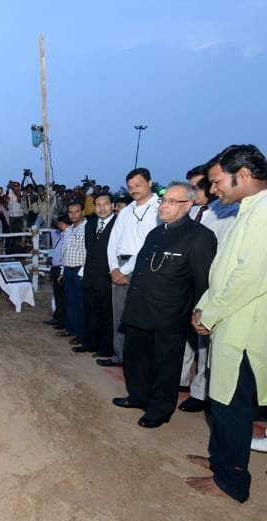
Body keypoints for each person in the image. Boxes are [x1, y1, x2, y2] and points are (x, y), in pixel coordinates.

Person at [185, 144, 267, 503]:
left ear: (244, 175)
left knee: (233, 407)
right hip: (228, 322)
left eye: (217, 182)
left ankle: (232, 482)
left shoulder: (264, 213)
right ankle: (221, 461)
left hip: (246, 329)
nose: (213, 189)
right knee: (220, 401)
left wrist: (211, 313)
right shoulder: (245, 211)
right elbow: (224, 272)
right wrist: (205, 307)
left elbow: (249, 277)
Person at [111, 183, 216, 428]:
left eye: (172, 201)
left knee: (165, 366)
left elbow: (203, 282)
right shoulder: (156, 233)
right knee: (136, 359)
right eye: (163, 200)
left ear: (188, 205)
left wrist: (200, 312)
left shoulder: (200, 237)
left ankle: (159, 409)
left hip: (169, 315)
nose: (164, 206)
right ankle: (138, 396)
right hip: (139, 309)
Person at [179, 164, 240, 412]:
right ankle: (181, 381)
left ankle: (200, 392)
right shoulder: (192, 212)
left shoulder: (228, 212)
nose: (195, 191)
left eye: (199, 186)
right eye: (191, 187)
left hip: (209, 286)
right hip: (185, 284)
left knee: (204, 341)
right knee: (184, 338)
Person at [99, 168, 160, 367]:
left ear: (150, 183)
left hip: (143, 268)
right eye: (130, 186)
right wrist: (114, 268)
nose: (134, 190)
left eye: (138, 185)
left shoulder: (159, 209)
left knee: (140, 318)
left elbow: (150, 244)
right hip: (118, 267)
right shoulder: (125, 211)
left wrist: (124, 271)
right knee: (119, 317)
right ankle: (120, 355)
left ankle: (140, 360)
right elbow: (112, 242)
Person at [73, 192, 116, 356]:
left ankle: (105, 349)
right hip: (90, 276)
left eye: (105, 204)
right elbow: (89, 251)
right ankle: (89, 343)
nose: (102, 208)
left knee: (107, 315)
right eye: (98, 204)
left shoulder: (118, 224)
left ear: (112, 206)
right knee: (90, 312)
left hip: (107, 277)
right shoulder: (90, 224)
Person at [57, 202, 87, 346]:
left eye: (76, 211)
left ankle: (81, 334)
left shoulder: (87, 228)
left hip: (80, 270)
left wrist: (83, 272)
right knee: (70, 302)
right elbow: (64, 252)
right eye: (71, 212)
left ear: (83, 211)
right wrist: (62, 271)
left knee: (81, 303)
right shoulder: (68, 230)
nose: (74, 214)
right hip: (68, 270)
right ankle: (71, 329)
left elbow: (89, 252)